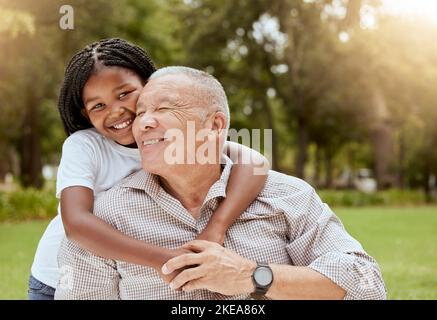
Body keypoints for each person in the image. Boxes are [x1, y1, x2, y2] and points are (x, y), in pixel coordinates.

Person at [55, 66, 386, 300]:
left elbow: (365, 283)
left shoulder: (287, 196)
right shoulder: (109, 217)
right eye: (140, 112)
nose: (143, 122)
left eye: (163, 107)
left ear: (214, 126)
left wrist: (253, 276)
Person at [28, 39, 269, 300]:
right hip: (58, 278)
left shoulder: (174, 138)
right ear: (86, 114)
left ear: (148, 85)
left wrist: (216, 227)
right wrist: (166, 259)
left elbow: (254, 163)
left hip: (121, 269)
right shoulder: (85, 146)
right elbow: (76, 223)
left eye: (124, 94)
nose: (116, 111)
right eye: (98, 105)